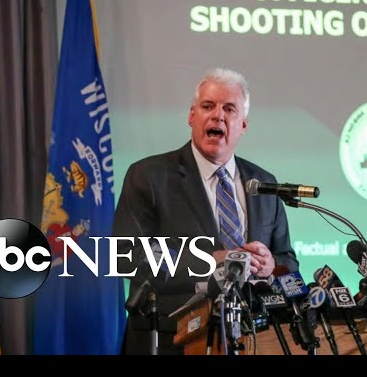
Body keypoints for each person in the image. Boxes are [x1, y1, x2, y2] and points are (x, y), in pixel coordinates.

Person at [112, 68, 299, 355]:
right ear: (192, 116)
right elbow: (125, 255)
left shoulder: (263, 183)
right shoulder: (149, 176)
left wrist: (271, 265)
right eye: (208, 106)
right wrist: (209, 260)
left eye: (229, 109)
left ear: (243, 125)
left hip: (251, 338)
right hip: (169, 339)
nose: (218, 116)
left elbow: (289, 262)